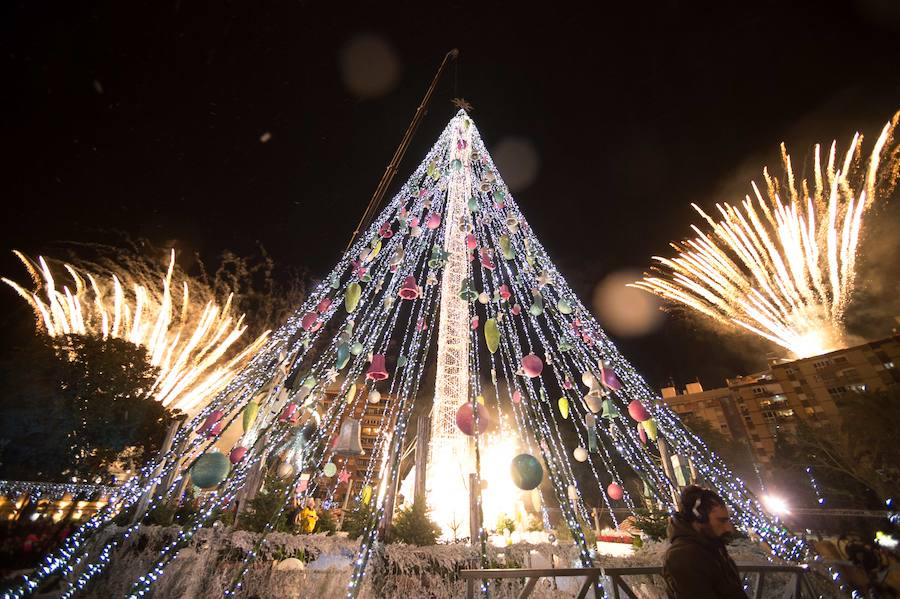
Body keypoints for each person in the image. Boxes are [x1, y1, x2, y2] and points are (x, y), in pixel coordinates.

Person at [662, 485, 747, 599]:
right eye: (721, 521)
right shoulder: (683, 556)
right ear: (700, 518)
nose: (729, 528)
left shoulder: (712, 547)